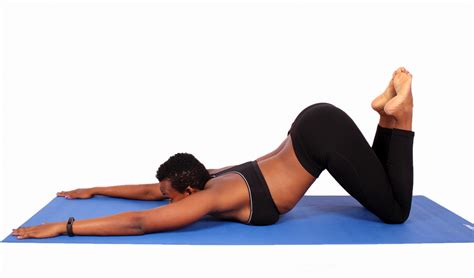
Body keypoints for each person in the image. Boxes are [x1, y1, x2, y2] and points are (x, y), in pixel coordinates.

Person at [12, 67, 415, 239]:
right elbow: (152, 193)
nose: (166, 200)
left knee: (397, 213)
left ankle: (404, 114)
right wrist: (95, 189)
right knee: (382, 185)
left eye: (172, 197)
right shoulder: (207, 176)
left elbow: (140, 223)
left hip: (322, 138)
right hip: (314, 125)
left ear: (189, 192)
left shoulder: (212, 196)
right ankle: (385, 115)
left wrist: (63, 227)